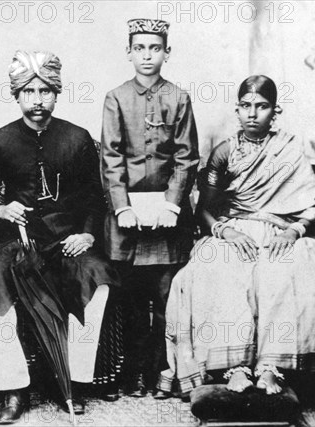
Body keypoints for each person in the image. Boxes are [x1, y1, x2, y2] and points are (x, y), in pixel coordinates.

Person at [158, 75, 315, 396]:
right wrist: (226, 230)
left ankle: (270, 368)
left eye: (261, 107)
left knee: (283, 272)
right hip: (234, 231)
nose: (253, 114)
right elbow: (203, 211)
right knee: (220, 269)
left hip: (282, 231)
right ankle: (235, 368)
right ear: (237, 110)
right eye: (246, 106)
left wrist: (293, 231)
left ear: (274, 111)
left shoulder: (291, 149)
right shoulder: (224, 152)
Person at [0, 50, 120, 424]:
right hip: (14, 242)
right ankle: (13, 389)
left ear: (57, 92)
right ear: (16, 94)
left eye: (45, 91)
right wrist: (1, 211)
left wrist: (86, 235)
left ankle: (72, 380)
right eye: (29, 91)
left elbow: (94, 199)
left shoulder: (78, 138)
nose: (37, 99)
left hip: (67, 239)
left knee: (97, 280)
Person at [100, 18, 199, 397]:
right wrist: (122, 206)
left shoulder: (179, 98)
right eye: (139, 48)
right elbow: (110, 157)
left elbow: (187, 158)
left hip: (166, 217)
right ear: (129, 52)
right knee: (128, 298)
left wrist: (172, 205)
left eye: (154, 48)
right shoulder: (116, 97)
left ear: (166, 53)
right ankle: (129, 373)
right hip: (126, 218)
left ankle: (162, 371)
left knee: (164, 298)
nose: (147, 55)